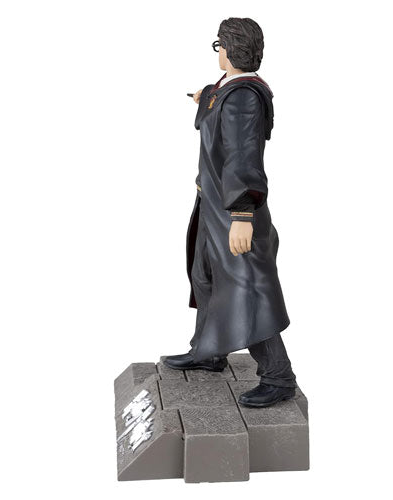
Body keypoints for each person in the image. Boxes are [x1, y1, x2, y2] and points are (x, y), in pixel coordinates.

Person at [163, 17, 297, 408]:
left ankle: (278, 377)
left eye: (219, 44)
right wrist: (205, 95)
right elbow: (215, 97)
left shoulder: (241, 99)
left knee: (245, 291)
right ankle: (209, 351)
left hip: (234, 210)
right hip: (212, 204)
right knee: (204, 276)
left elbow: (243, 156)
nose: (217, 51)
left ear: (230, 49)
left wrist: (242, 215)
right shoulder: (227, 89)